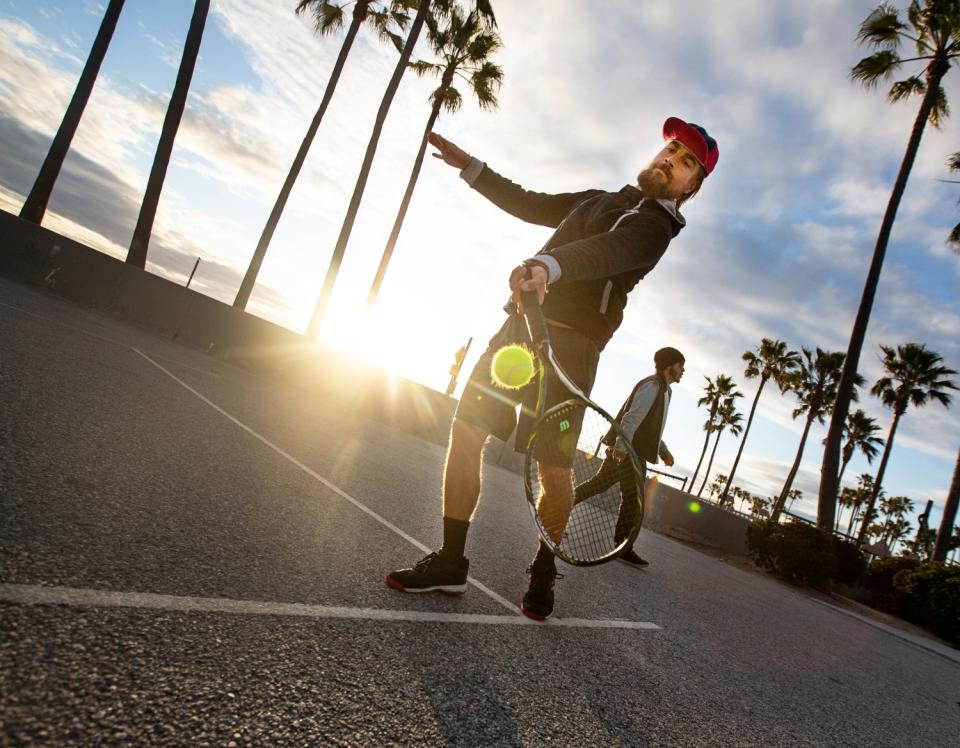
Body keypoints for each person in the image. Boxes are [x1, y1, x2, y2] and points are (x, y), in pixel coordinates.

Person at [386, 117, 719, 620]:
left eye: (687, 161)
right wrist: (472, 168)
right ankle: (451, 561)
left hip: (571, 347)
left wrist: (546, 267)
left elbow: (606, 252)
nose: (672, 159)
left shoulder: (656, 228)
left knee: (553, 467)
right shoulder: (598, 198)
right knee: (468, 430)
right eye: (671, 149)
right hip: (518, 331)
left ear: (691, 187)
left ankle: (544, 567)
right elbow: (531, 202)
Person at [573, 346, 685, 567]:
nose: (683, 370)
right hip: (629, 452)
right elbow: (631, 420)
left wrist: (663, 450)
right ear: (669, 365)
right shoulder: (652, 386)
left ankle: (557, 506)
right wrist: (621, 449)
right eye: (681, 366)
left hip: (633, 451)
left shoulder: (665, 391)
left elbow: (650, 426)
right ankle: (623, 545)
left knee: (599, 485)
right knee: (633, 498)